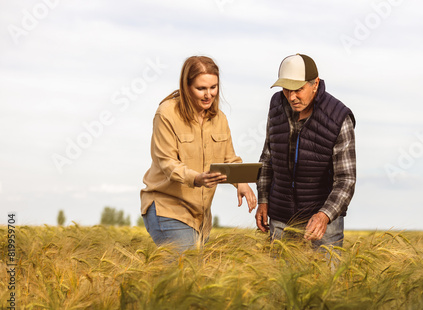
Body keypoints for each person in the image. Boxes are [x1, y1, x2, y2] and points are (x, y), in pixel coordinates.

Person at [140, 56, 256, 252]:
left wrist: (241, 182)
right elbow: (167, 162)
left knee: (189, 280)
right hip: (168, 208)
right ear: (186, 86)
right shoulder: (166, 114)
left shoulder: (220, 119)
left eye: (213, 87)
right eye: (201, 88)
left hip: (201, 217)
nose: (208, 95)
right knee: (187, 273)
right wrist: (197, 178)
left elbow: (229, 158)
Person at [255, 53, 356, 252]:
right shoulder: (276, 105)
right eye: (286, 89)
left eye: (298, 89)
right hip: (281, 221)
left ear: (315, 84)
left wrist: (324, 216)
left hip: (321, 227)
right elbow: (268, 158)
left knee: (324, 282)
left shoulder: (339, 118)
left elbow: (346, 180)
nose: (291, 97)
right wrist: (263, 200)